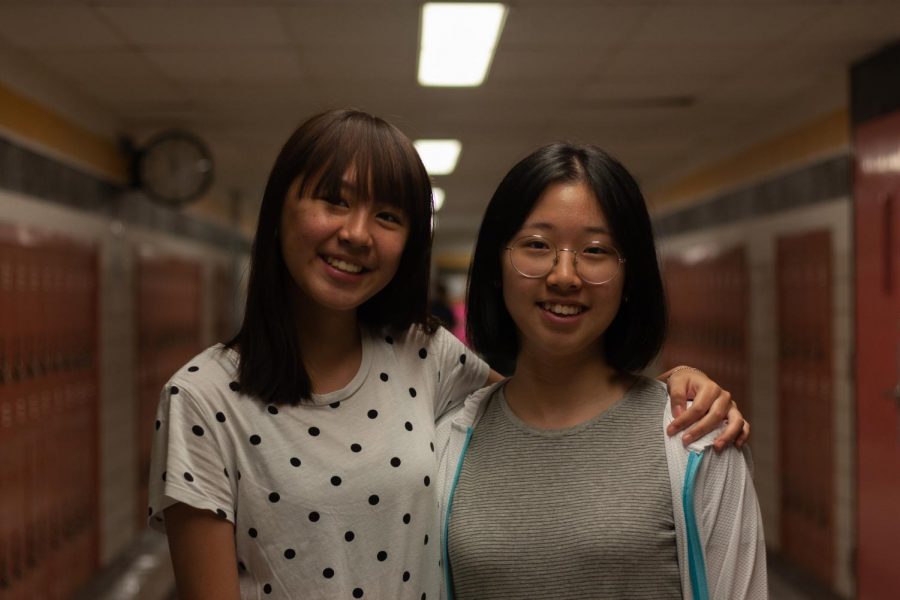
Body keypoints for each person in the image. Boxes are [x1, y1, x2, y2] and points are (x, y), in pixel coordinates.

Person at [147, 110, 749, 600]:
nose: (357, 234)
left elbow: (553, 392)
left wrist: (675, 384)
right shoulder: (202, 398)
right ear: (278, 211)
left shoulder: (423, 356)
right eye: (333, 201)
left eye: (387, 216)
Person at [437, 143, 767, 600]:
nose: (565, 275)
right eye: (537, 245)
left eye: (595, 250)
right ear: (498, 264)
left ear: (630, 278)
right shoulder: (450, 440)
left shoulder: (696, 438)